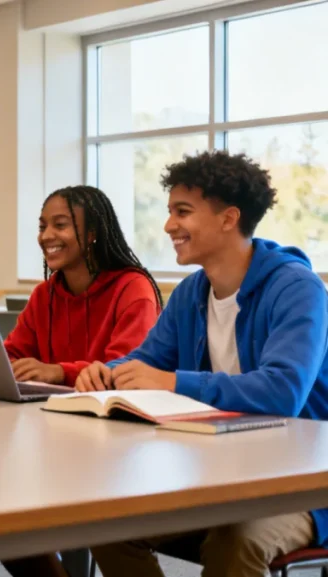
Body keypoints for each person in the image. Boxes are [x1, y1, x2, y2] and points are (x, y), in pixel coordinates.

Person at [76, 151, 328, 577]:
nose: (169, 225)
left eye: (182, 212)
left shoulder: (297, 288)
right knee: (106, 524)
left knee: (236, 542)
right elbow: (147, 361)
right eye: (170, 211)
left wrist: (173, 382)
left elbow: (282, 391)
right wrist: (108, 371)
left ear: (229, 218)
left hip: (299, 488)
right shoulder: (193, 292)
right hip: (214, 476)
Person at [3, 185, 163, 387]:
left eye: (60, 225)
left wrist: (60, 372)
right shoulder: (44, 294)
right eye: (42, 227)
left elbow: (125, 369)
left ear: (91, 234)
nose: (45, 236)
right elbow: (8, 356)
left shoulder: (133, 289)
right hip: (45, 411)